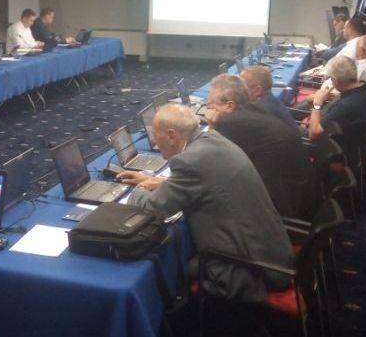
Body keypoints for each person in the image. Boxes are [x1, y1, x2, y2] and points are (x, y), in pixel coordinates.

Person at [117, 103, 293, 304]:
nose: (154, 141)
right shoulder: (214, 140)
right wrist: (160, 182)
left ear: (172, 136)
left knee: (181, 273)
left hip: (252, 270)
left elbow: (153, 208)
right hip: (273, 252)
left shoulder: (189, 162)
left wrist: (137, 190)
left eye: (155, 135)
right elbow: (206, 181)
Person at [204, 74, 319, 221]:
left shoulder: (230, 123)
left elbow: (208, 160)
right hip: (303, 192)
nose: (208, 108)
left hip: (287, 208)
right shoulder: (255, 109)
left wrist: (212, 126)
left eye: (210, 104)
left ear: (229, 105)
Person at [308, 56, 366, 143]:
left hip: (336, 144)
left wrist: (317, 104)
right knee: (308, 102)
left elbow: (313, 134)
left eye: (331, 79)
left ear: (335, 80)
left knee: (294, 129)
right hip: (363, 139)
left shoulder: (344, 106)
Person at [240, 65, 298, 131]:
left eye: (242, 86)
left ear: (257, 90)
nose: (239, 89)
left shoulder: (259, 111)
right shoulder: (269, 98)